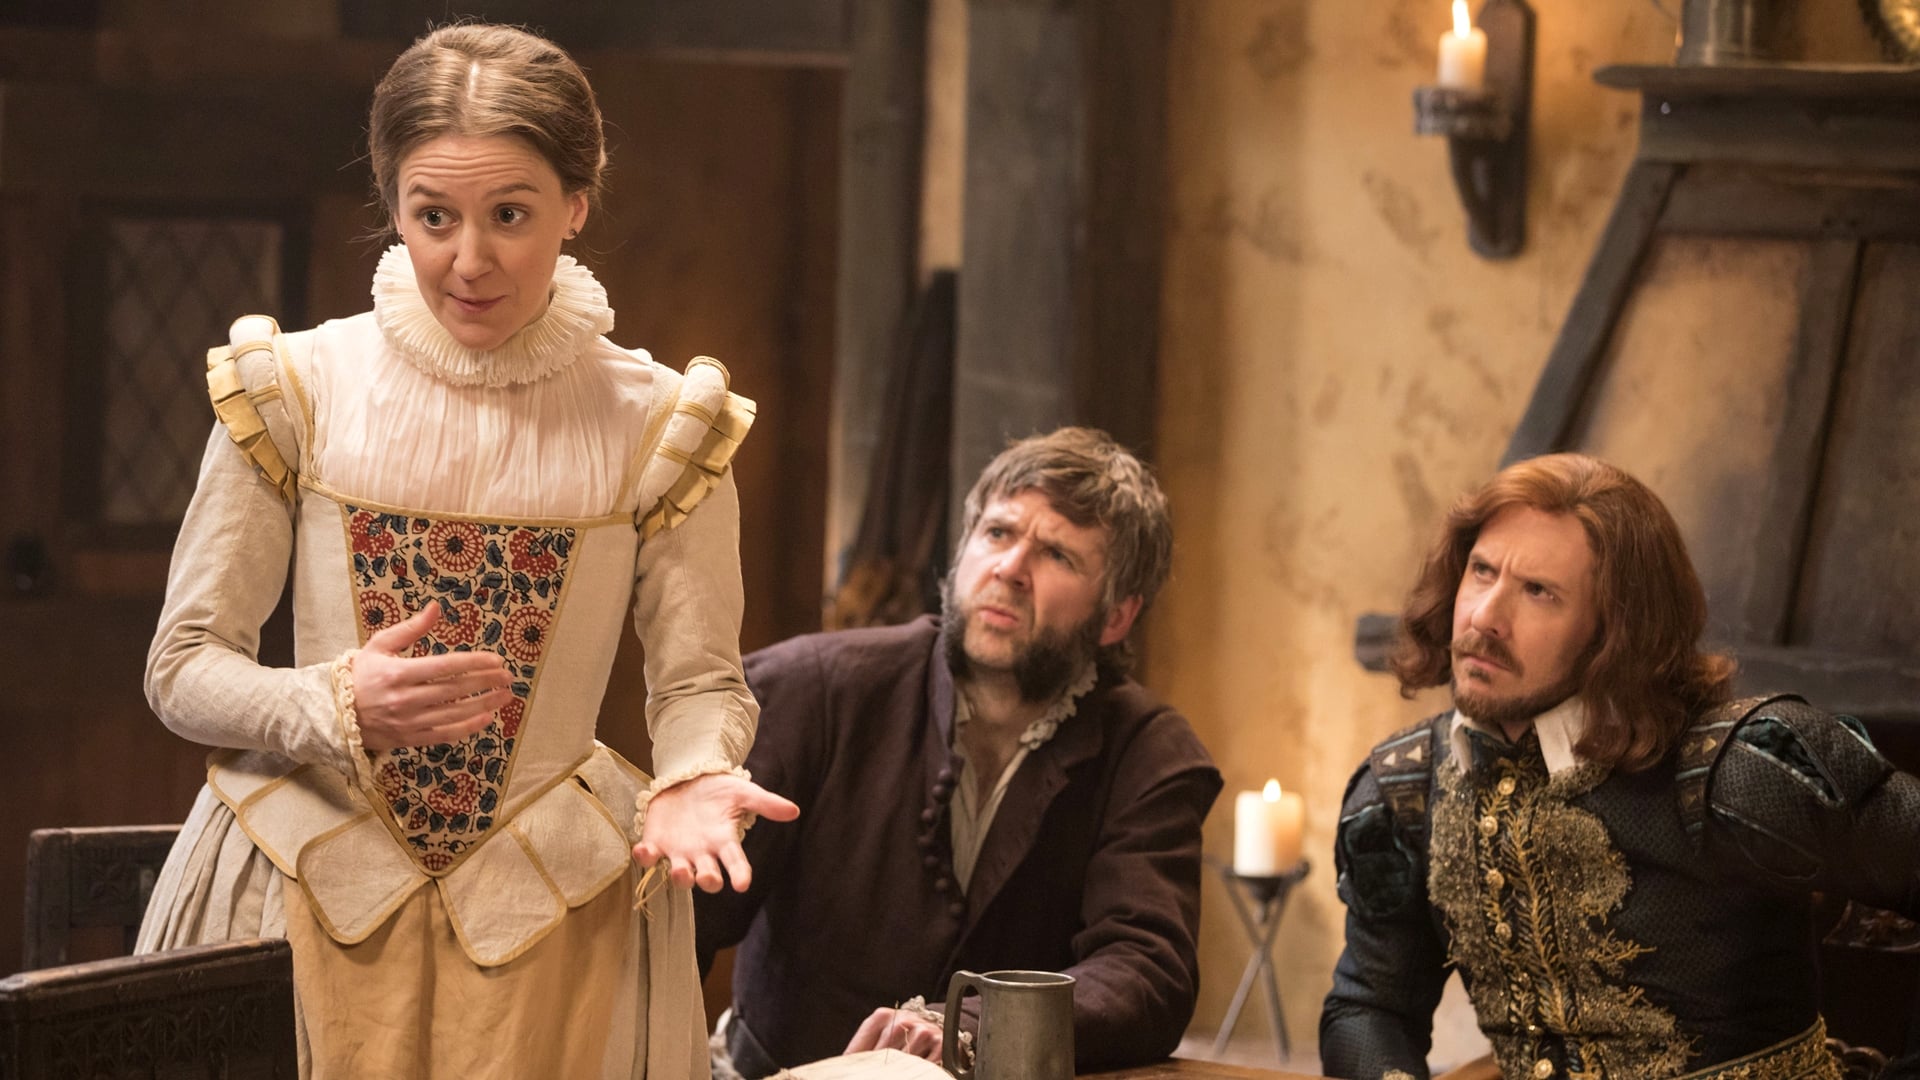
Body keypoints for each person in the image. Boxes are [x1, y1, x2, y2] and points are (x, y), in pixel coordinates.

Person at [135, 24, 795, 1079]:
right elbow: (183, 668)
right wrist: (333, 706)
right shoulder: (294, 390)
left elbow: (699, 684)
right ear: (393, 203)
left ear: (577, 205)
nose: (469, 260)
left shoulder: (659, 425)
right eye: (432, 216)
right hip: (299, 892)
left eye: (510, 216)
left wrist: (693, 773)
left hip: (552, 919)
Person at [1319, 453, 1920, 1080]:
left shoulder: (1746, 767)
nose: (1484, 618)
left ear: (1615, 629)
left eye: (1538, 591)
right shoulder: (1405, 789)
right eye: (1482, 571)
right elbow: (1369, 1007)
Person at [694, 427, 1222, 1076]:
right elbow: (677, 921)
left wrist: (971, 1030)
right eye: (998, 533)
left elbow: (1146, 971)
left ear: (1116, 616)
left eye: (1057, 555)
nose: (1010, 569)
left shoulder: (1151, 752)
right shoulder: (813, 687)